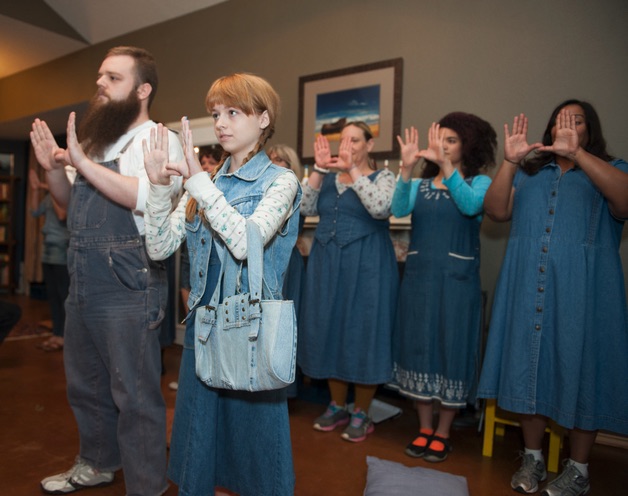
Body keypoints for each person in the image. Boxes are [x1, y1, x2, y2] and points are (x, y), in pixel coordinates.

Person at [30, 46, 184, 495]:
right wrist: (55, 169)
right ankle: (97, 463)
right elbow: (65, 203)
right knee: (87, 384)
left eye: (113, 78)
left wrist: (79, 162)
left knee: (135, 395)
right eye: (100, 76)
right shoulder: (97, 143)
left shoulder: (158, 139)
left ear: (142, 90)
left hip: (128, 280)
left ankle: (146, 485)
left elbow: (141, 196)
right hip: (84, 278)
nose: (100, 84)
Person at [142, 73, 301, 496]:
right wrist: (160, 189)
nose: (221, 122)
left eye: (233, 112)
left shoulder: (281, 182)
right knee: (200, 449)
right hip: (204, 329)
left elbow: (246, 242)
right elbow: (159, 247)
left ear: (264, 119)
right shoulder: (206, 183)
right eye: (216, 114)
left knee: (256, 455)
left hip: (251, 329)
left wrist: (197, 183)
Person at [477, 100, 628, 496]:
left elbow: (625, 202)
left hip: (584, 292)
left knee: (583, 373)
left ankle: (578, 470)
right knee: (530, 368)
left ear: (590, 130)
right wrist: (509, 162)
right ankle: (533, 458)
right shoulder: (530, 173)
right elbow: (494, 211)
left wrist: (577, 154)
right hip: (528, 285)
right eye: (562, 121)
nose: (569, 126)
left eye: (578, 121)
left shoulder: (611, 169)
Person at [388, 113, 497, 462]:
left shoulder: (479, 183)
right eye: (441, 139)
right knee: (419, 349)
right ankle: (423, 427)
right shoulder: (420, 186)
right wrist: (405, 169)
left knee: (452, 350)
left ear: (468, 146)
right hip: (419, 283)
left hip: (457, 285)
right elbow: (397, 208)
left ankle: (444, 431)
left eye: (452, 140)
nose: (444, 146)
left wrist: (448, 168)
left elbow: (470, 206)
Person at [298, 121, 398, 442]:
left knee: (363, 331)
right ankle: (337, 404)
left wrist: (354, 171)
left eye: (355, 140)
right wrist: (317, 168)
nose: (347, 145)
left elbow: (381, 208)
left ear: (370, 145)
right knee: (329, 328)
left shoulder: (383, 177)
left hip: (367, 264)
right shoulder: (326, 177)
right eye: (343, 140)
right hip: (326, 263)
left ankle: (362, 411)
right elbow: (303, 207)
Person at [267, 143, 306, 399]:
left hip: (287, 265)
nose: (274, 163)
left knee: (284, 326)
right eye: (271, 159)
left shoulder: (292, 190)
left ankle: (285, 390)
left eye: (280, 159)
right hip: (265, 261)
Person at [28, 168, 70, 352]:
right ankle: (56, 334)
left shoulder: (65, 196)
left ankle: (64, 337)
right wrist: (36, 189)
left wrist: (50, 188)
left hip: (62, 253)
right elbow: (34, 212)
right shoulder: (49, 197)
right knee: (52, 296)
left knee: (63, 297)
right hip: (48, 251)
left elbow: (62, 214)